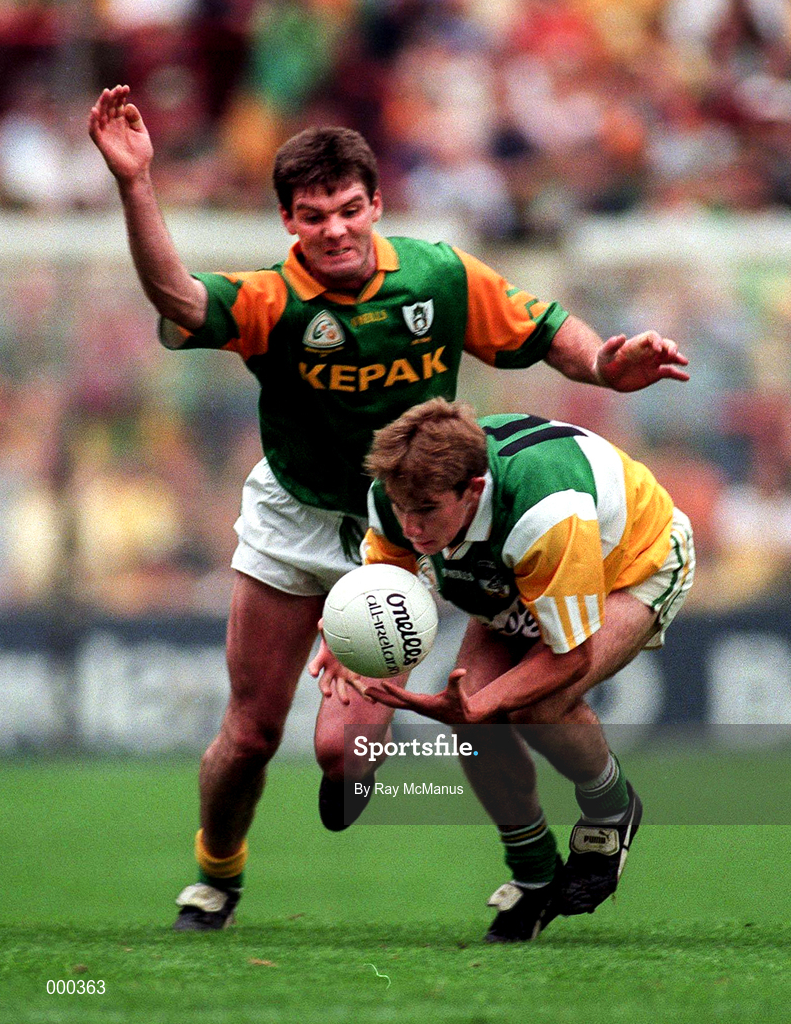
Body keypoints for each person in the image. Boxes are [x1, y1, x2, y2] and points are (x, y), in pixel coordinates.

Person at [88, 83, 690, 933]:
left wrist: (602, 364)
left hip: (408, 522)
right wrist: (135, 182)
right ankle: (216, 876)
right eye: (311, 216)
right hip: (298, 515)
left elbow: (546, 329)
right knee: (251, 733)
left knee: (349, 750)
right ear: (288, 222)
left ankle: (526, 848)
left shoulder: (439, 277)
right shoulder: (271, 300)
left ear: (375, 204)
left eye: (347, 209)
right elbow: (180, 301)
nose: (333, 229)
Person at [311, 397, 695, 940]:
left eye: (426, 510)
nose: (411, 526)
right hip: (518, 574)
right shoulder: (397, 490)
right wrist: (348, 630)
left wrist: (478, 706)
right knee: (367, 743)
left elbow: (570, 656)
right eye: (402, 508)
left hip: (632, 562)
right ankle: (535, 875)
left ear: (473, 490)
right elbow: (388, 577)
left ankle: (611, 810)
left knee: (537, 706)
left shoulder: (545, 513)